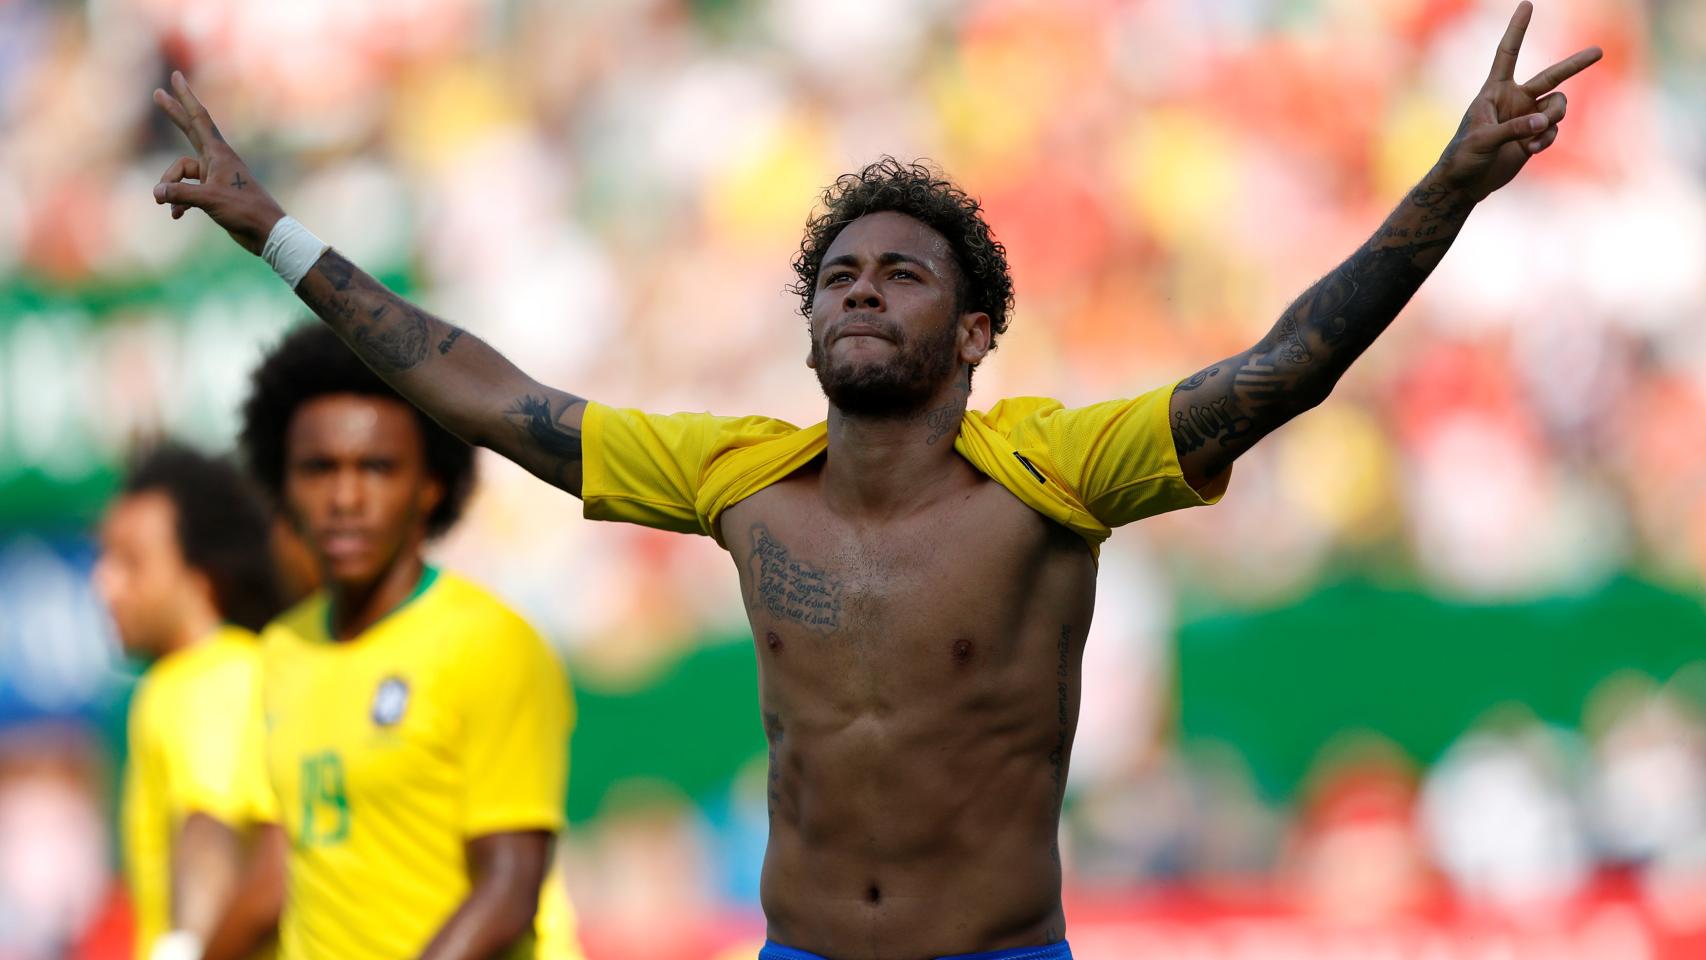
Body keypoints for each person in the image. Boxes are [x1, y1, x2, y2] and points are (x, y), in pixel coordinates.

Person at [149, 4, 1601, 956]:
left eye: (901, 273)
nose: (860, 291)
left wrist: (1450, 185)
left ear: (973, 331)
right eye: (839, 275)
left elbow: (1288, 362)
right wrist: (271, 228)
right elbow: (476, 384)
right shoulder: (733, 480)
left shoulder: (1056, 470)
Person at [212, 324, 579, 960]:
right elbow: (276, 873)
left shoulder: (489, 643)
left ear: (431, 485)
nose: (345, 498)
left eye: (377, 468)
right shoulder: (280, 649)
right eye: (318, 469)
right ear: (283, 485)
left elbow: (510, 890)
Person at [93, 443, 287, 960]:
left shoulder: (211, 677)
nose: (104, 582)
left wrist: (181, 949)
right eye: (104, 558)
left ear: (203, 575)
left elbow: (210, 826)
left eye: (131, 562)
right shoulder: (225, 670)